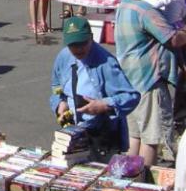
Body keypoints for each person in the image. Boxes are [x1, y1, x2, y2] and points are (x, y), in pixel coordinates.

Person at [114, 0, 186, 166]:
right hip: (149, 77)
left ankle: (130, 176)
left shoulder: (124, 3)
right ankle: (144, 179)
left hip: (129, 76)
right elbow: (172, 38)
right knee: (151, 137)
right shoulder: (144, 9)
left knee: (135, 135)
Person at [50, 16, 140, 157]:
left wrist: (104, 105)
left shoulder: (106, 63)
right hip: (73, 132)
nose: (79, 49)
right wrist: (60, 104)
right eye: (73, 45)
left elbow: (132, 96)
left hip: (101, 137)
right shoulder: (63, 57)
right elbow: (56, 87)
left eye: (83, 43)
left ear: (91, 38)